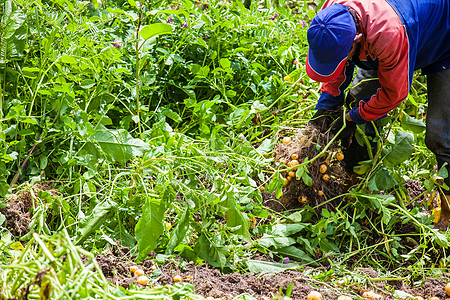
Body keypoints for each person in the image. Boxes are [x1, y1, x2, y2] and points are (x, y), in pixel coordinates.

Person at [305, 0, 450, 230]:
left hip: (444, 38)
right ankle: (355, 183)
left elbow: (394, 94)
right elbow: (335, 67)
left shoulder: (389, 34)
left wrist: (354, 116)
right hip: (391, 34)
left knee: (440, 135)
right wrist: (326, 106)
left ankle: (448, 209)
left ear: (355, 41)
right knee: (359, 99)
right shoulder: (328, 19)